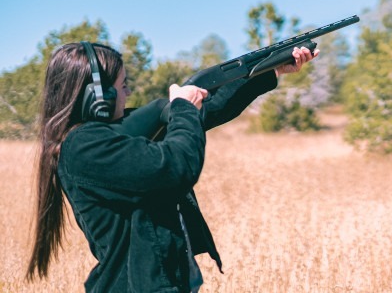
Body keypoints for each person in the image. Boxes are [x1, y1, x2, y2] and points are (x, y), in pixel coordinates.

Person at [26, 41, 319, 292]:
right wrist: (183, 108)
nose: (128, 93)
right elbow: (175, 167)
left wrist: (269, 72)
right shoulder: (84, 147)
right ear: (98, 99)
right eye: (123, 86)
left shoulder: (109, 136)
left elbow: (209, 112)